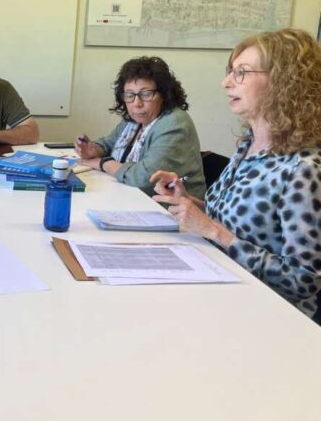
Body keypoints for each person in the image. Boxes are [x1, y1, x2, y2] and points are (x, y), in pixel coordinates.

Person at [152, 28, 321, 323]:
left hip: (269, 317)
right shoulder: (248, 146)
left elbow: (303, 281)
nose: (226, 82)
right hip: (219, 288)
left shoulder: (305, 168)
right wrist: (189, 202)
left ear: (284, 82)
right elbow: (237, 222)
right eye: (230, 71)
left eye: (241, 73)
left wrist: (212, 231)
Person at [75, 56, 205, 199]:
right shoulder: (134, 120)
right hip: (131, 197)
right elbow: (109, 142)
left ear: (164, 94)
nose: (137, 103)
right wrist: (94, 150)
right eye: (130, 95)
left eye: (146, 94)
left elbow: (143, 178)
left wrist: (103, 163)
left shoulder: (174, 123)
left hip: (170, 207)